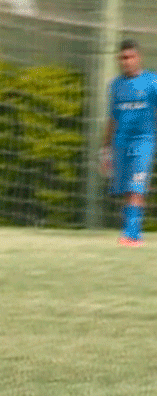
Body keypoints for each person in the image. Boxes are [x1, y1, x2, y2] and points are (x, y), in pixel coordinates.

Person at [100, 39, 157, 247]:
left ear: (138, 57)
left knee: (136, 187)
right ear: (118, 60)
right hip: (120, 143)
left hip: (144, 141)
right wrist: (105, 149)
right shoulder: (116, 85)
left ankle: (131, 234)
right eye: (123, 58)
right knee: (127, 190)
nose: (127, 61)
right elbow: (112, 119)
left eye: (131, 57)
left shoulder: (152, 82)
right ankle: (134, 234)